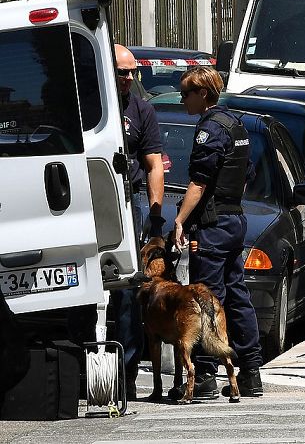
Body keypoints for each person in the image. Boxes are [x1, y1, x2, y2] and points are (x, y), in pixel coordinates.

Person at [170, 66, 264, 400]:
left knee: (207, 299)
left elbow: (200, 180)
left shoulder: (210, 129)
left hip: (211, 226)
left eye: (186, 94)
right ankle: (251, 373)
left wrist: (180, 219)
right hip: (234, 221)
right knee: (236, 295)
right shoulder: (237, 124)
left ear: (203, 94)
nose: (183, 100)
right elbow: (246, 173)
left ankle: (206, 376)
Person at [115, 44, 165, 399]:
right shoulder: (86, 102)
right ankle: (77, 368)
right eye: (122, 71)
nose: (129, 78)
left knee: (129, 291)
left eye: (133, 71)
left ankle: (126, 376)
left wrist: (157, 214)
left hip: (128, 202)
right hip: (87, 203)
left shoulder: (141, 109)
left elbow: (152, 165)